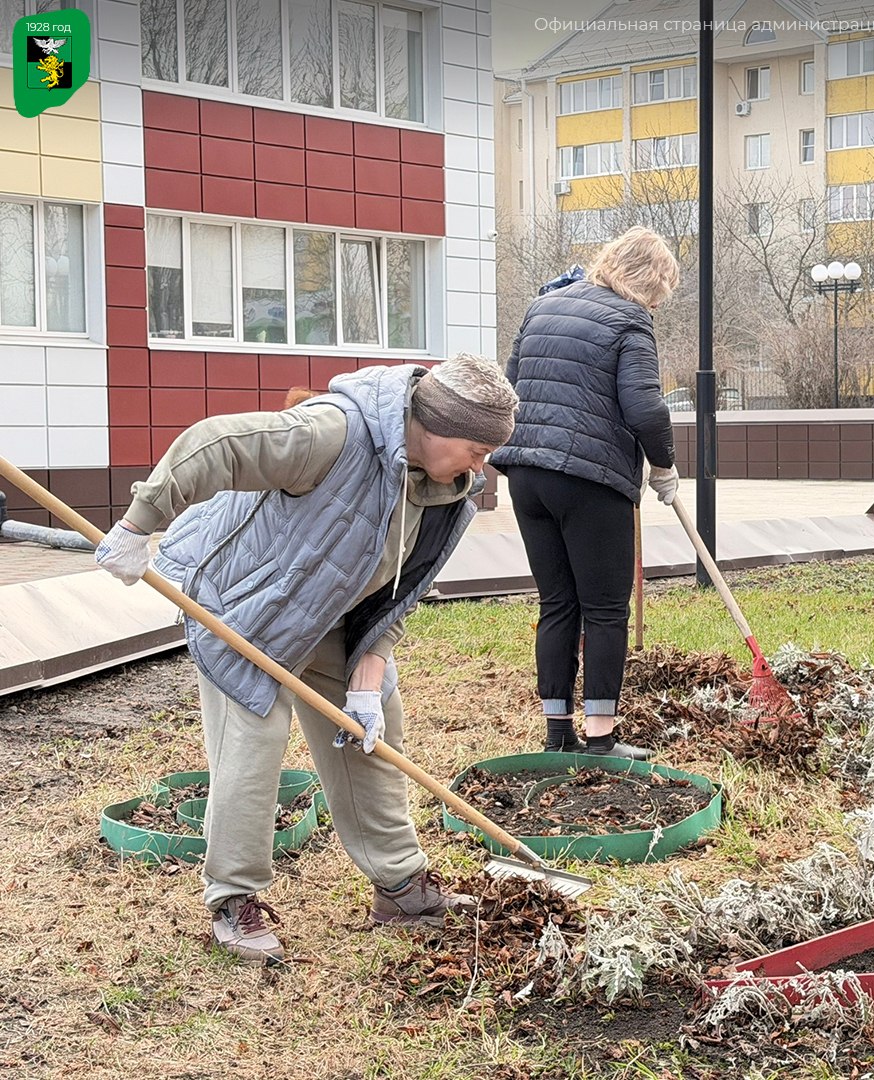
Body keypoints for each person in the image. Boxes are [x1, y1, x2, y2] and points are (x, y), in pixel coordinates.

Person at [93, 355, 520, 965]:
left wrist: (367, 681)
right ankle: (234, 899)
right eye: (477, 450)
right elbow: (215, 443)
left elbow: (399, 595)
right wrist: (140, 525)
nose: (481, 466)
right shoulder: (332, 433)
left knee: (373, 738)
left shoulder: (444, 491)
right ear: (435, 426)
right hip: (245, 609)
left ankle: (400, 886)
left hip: (332, 617)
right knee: (252, 746)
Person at [490, 226, 680, 760]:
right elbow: (644, 407)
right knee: (604, 609)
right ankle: (600, 738)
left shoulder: (542, 305)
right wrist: (664, 467)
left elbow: (510, 385)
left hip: (526, 475)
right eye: (660, 292)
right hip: (589, 482)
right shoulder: (629, 318)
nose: (657, 304)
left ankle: (558, 733)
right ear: (649, 281)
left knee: (557, 602)